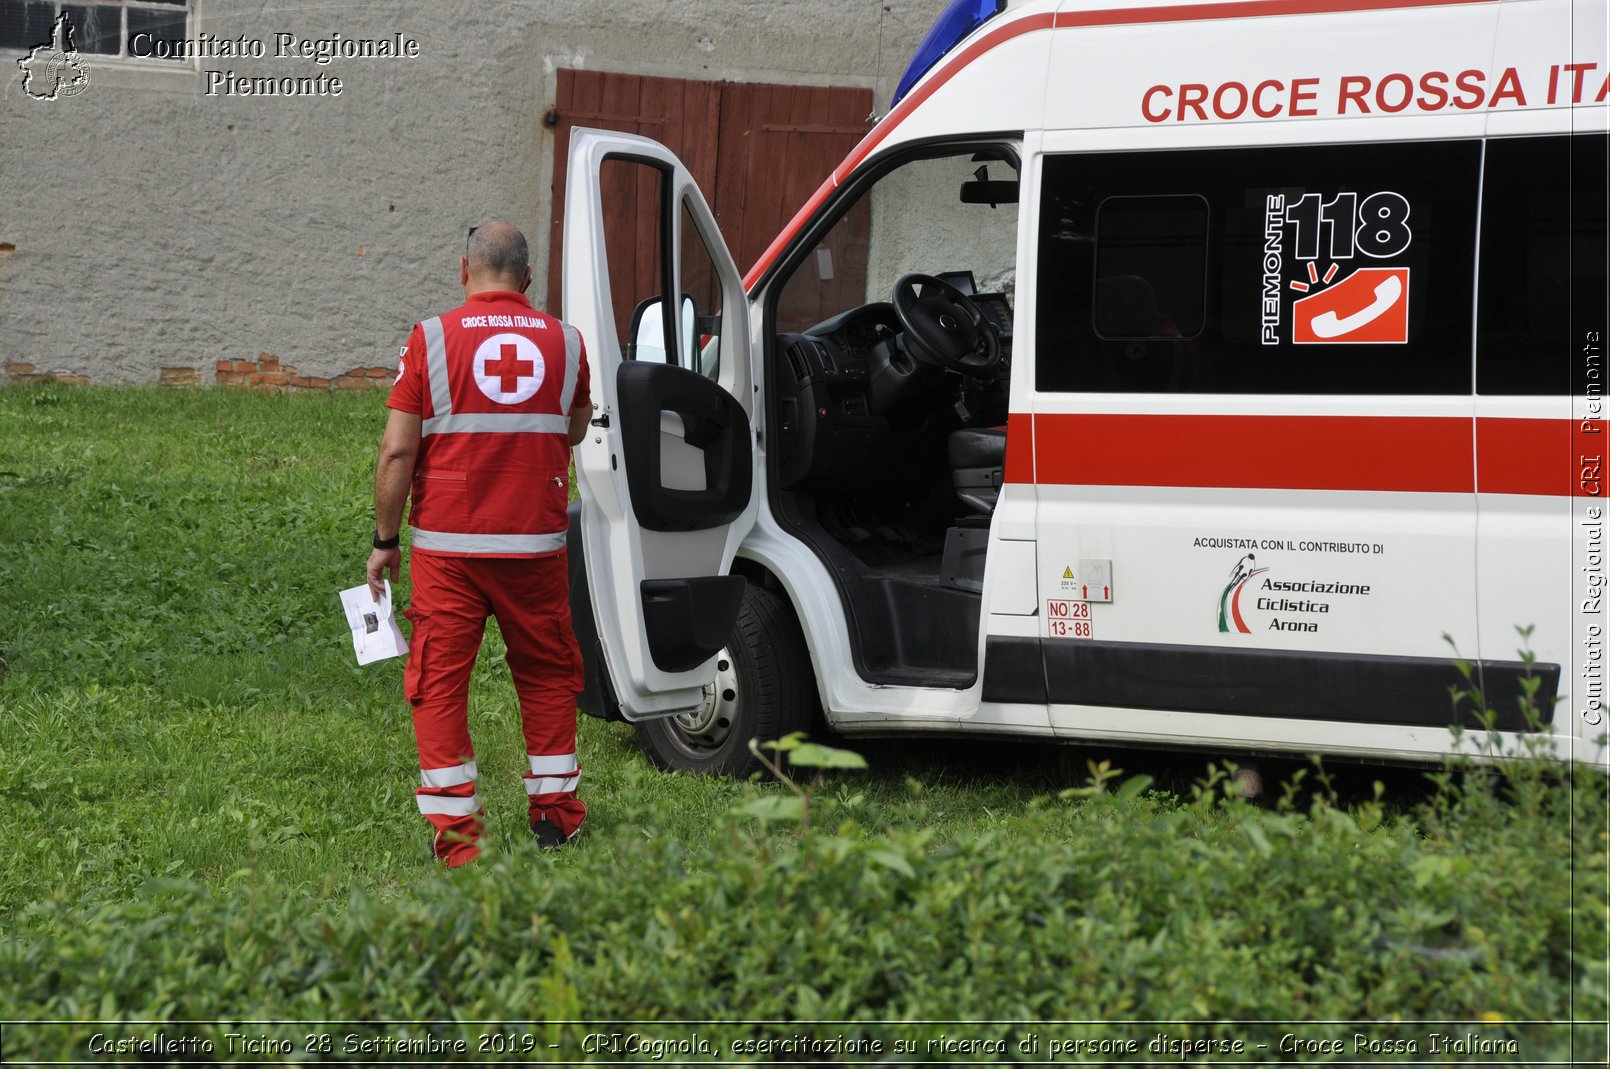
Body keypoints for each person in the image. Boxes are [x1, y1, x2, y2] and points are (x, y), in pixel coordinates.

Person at [366, 220, 593, 867]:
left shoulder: (432, 339)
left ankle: (459, 840)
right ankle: (556, 819)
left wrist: (385, 539)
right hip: (535, 548)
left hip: (448, 552)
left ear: (464, 271)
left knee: (439, 685)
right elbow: (573, 429)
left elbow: (397, 449)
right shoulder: (568, 344)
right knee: (547, 675)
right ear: (527, 279)